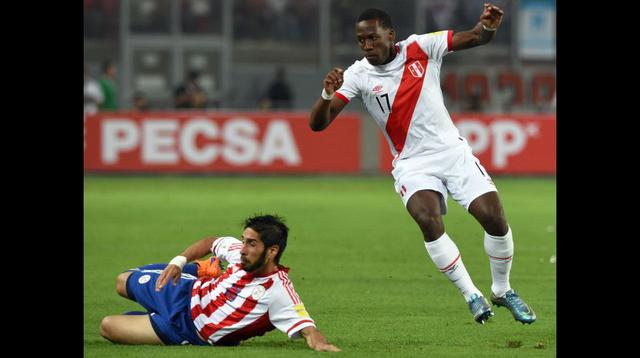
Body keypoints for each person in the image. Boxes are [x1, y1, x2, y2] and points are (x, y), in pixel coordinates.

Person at [309, 4, 535, 325]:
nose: (367, 46)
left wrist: (488, 27)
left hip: (452, 153)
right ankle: (472, 294)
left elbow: (474, 38)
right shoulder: (358, 74)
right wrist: (327, 94)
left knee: (494, 218)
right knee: (427, 218)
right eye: (361, 40)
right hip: (412, 163)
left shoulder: (421, 47)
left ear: (391, 35)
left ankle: (502, 289)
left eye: (373, 38)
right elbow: (319, 124)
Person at [99, 214, 340, 352]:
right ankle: (202, 271)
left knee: (107, 326)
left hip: (187, 330)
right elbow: (211, 241)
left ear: (272, 251)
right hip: (185, 293)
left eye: (251, 244)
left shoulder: (278, 292)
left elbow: (308, 328)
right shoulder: (240, 253)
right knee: (122, 281)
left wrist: (320, 343)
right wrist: (178, 261)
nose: (242, 248)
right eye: (244, 240)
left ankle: (152, 314)